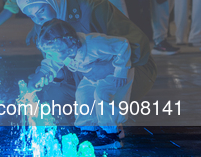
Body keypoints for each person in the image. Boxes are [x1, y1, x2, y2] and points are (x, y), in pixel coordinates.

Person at [16, 0, 156, 115]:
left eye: (41, 11)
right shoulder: (43, 26)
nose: (39, 20)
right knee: (54, 95)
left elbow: (138, 45)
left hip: (130, 68)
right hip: (86, 75)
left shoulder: (92, 5)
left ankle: (112, 125)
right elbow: (58, 63)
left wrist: (109, 67)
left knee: (101, 101)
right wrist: (52, 75)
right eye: (31, 16)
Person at [28, 19, 132, 149]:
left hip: (113, 73)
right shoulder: (66, 51)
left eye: (51, 53)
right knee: (83, 94)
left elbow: (123, 45)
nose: (49, 56)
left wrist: (121, 71)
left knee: (102, 94)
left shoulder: (94, 44)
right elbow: (52, 63)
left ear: (68, 47)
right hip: (92, 76)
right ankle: (88, 129)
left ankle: (111, 134)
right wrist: (39, 76)